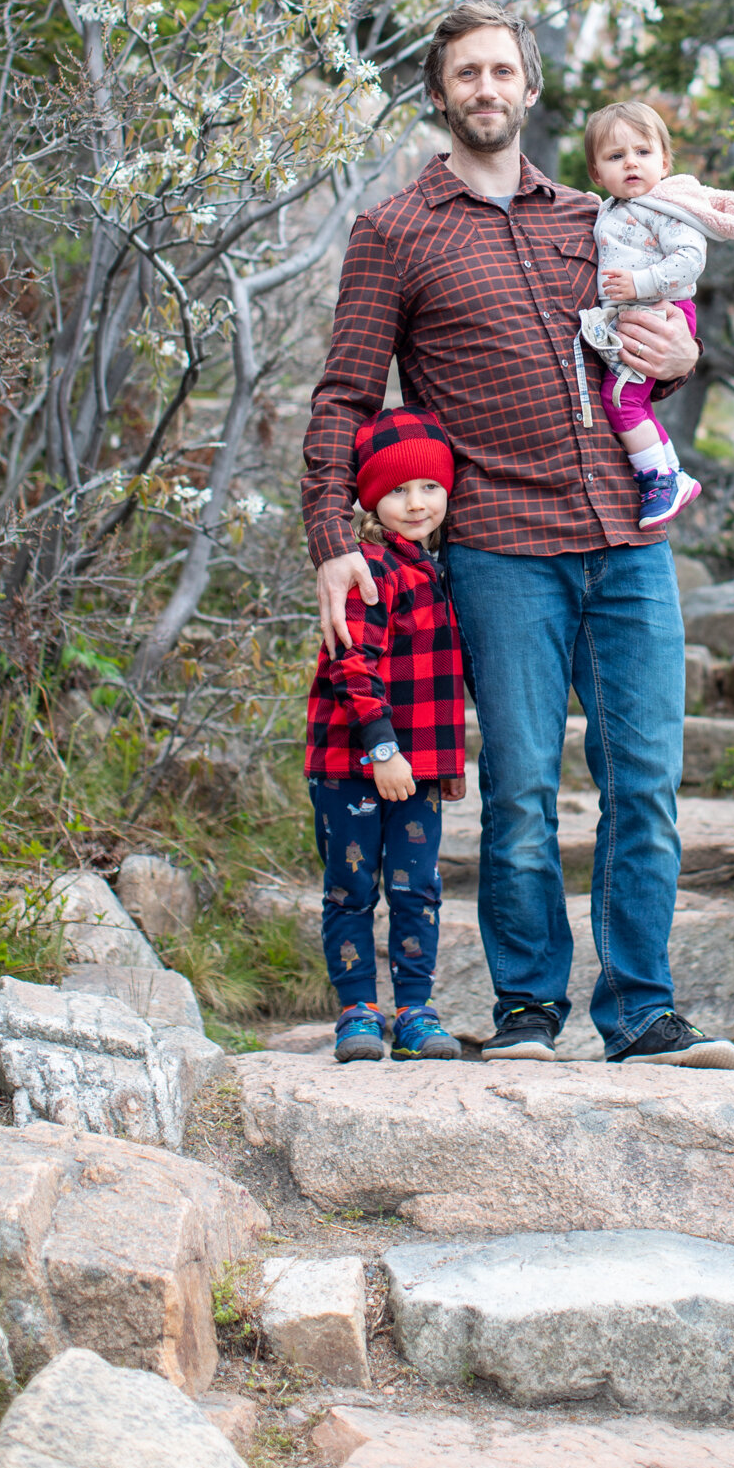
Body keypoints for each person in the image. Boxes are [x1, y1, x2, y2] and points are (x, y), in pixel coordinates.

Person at [303, 0, 734, 1069]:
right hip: (499, 548)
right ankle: (527, 1013)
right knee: (523, 790)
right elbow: (343, 398)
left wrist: (684, 362)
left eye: (503, 70)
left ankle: (640, 1012)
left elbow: (647, 345)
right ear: (439, 94)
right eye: (466, 74)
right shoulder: (395, 232)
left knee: (644, 783)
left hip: (629, 542)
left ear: (530, 88)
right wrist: (330, 539)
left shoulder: (592, 217)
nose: (486, 90)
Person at [305, 406, 466, 1065]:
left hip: (417, 770)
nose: (416, 502)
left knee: (416, 889)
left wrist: (433, 762)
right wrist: (382, 746)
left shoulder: (433, 568)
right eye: (397, 490)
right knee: (351, 887)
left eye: (429, 486)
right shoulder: (369, 568)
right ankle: (356, 1012)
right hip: (356, 764)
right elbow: (351, 662)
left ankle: (416, 1010)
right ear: (371, 497)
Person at [579, 100, 734, 531]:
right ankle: (671, 469)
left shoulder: (664, 208)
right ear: (598, 174)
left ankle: (658, 478)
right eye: (616, 157)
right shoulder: (613, 207)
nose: (631, 163)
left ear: (665, 161)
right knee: (634, 400)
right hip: (636, 316)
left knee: (620, 400)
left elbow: (690, 260)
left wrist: (640, 284)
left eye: (643, 152)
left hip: (661, 314)